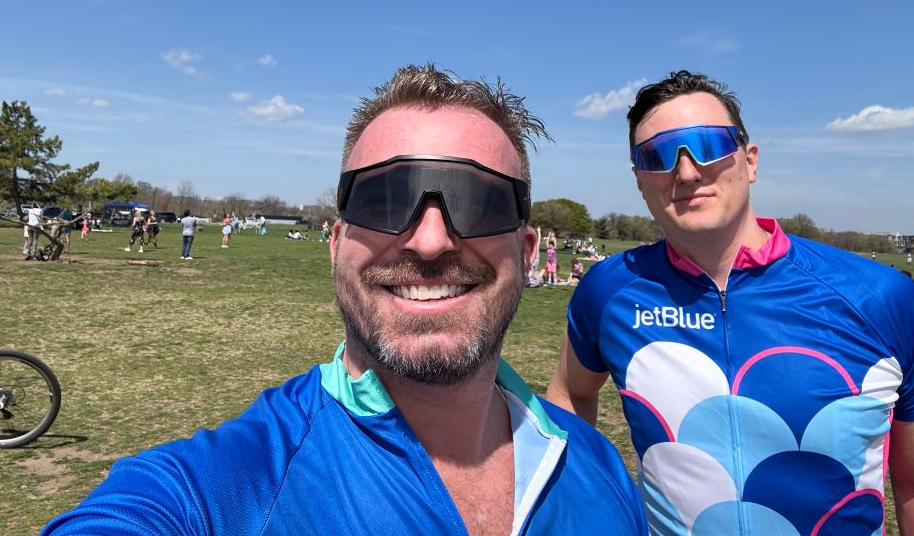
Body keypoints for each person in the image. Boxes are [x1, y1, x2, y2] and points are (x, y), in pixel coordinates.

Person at [41, 64, 647, 535]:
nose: (431, 240)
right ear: (335, 244)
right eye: (384, 199)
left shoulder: (598, 464)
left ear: (528, 247)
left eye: (481, 201)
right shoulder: (232, 485)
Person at [546, 70, 914, 535]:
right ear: (638, 179)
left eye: (710, 145)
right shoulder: (609, 290)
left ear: (750, 161)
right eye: (656, 156)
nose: (688, 172)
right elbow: (571, 393)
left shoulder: (882, 299)